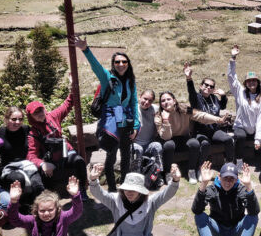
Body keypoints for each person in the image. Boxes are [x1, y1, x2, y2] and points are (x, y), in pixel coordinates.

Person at [73, 35, 139, 192]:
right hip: (111, 123)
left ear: (128, 64)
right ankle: (112, 188)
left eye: (124, 61)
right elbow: (95, 66)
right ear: (113, 64)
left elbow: (133, 102)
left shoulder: (130, 81)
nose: (121, 64)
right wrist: (85, 50)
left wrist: (136, 125)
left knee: (126, 156)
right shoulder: (107, 77)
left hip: (126, 122)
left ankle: (124, 186)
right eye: (117, 62)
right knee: (111, 156)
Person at [25, 78, 89, 201]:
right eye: (35, 113)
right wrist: (43, 164)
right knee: (42, 175)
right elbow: (31, 156)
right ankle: (51, 198)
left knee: (79, 161)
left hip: (66, 152)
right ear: (30, 116)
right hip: (51, 160)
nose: (40, 114)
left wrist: (72, 87)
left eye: (40, 110)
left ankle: (82, 189)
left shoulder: (53, 116)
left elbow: (69, 103)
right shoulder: (33, 133)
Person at [155, 91, 226, 184]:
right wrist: (165, 120)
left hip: (184, 137)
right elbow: (166, 136)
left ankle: (191, 170)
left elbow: (201, 116)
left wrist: (217, 119)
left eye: (168, 99)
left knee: (194, 143)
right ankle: (168, 172)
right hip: (169, 139)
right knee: (169, 145)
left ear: (174, 101)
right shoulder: (158, 116)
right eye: (163, 101)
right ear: (160, 104)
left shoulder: (184, 109)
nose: (166, 102)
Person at [228, 45, 261, 167]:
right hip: (241, 126)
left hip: (256, 127)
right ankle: (239, 161)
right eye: (249, 81)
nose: (251, 82)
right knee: (240, 136)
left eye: (254, 80)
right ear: (245, 83)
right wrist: (233, 58)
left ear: (258, 83)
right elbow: (232, 78)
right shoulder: (240, 92)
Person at [184, 62, 235, 166]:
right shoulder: (196, 98)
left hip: (214, 131)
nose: (208, 87)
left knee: (228, 139)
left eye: (211, 86)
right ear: (201, 86)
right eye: (206, 85)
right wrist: (189, 78)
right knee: (205, 144)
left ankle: (229, 163)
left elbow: (223, 106)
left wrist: (224, 96)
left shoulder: (214, 98)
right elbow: (191, 92)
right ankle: (200, 167)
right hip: (200, 131)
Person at [132, 89, 162, 174]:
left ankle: (156, 174)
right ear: (140, 97)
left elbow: (167, 110)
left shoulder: (155, 109)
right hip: (136, 143)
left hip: (149, 144)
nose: (146, 102)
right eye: (145, 99)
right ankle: (137, 174)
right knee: (137, 149)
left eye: (150, 101)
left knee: (158, 146)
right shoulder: (133, 109)